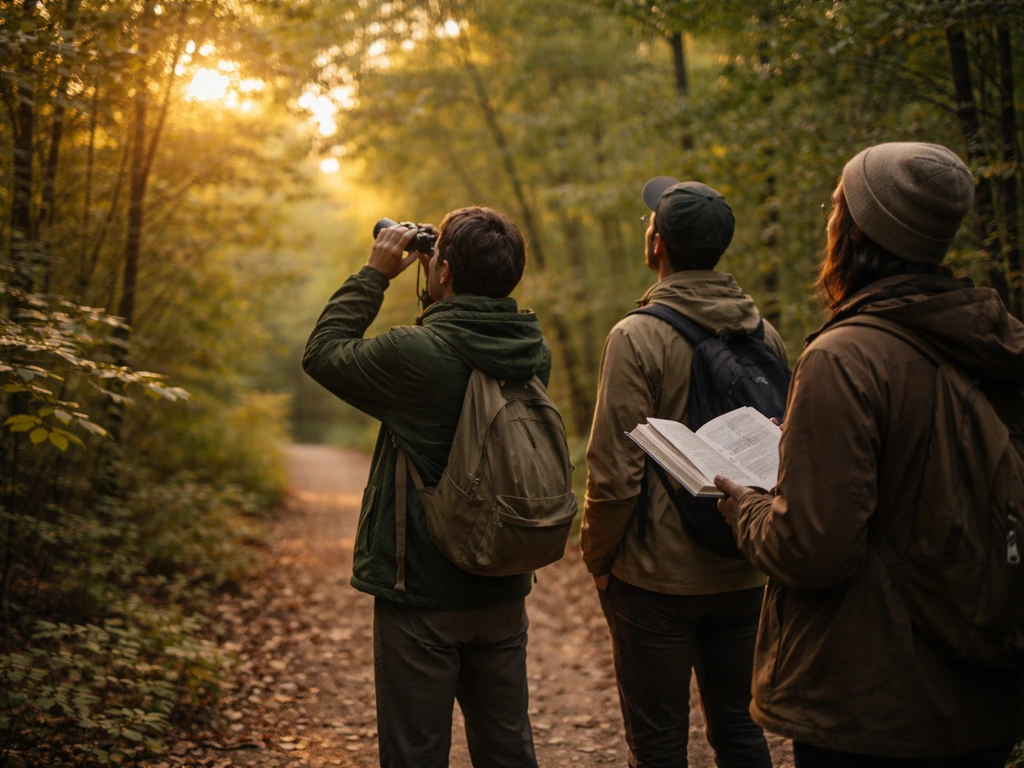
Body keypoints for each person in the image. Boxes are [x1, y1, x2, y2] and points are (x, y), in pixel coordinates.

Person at [715, 142, 1024, 766]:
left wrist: (745, 505)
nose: (830, 218)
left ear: (857, 232)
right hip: (985, 691)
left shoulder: (844, 356)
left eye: (838, 206)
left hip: (869, 703)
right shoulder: (997, 339)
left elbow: (812, 547)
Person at [302, 207, 547, 768]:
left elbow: (322, 353)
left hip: (424, 593)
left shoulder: (416, 353)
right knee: (507, 748)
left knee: (416, 752)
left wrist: (375, 274)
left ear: (444, 274)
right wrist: (441, 281)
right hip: (503, 583)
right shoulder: (533, 352)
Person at [581, 177, 783, 767]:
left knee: (659, 744)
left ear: (657, 244)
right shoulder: (763, 334)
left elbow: (614, 472)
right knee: (743, 735)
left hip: (654, 578)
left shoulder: (636, 336)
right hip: (745, 564)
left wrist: (599, 559)